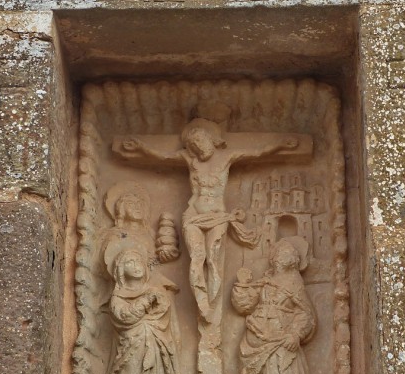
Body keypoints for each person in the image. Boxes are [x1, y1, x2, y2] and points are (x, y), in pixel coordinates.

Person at [120, 118, 298, 324]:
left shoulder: (226, 157)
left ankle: (212, 303)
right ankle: (202, 302)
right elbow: (164, 156)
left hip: (217, 217)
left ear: (213, 140)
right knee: (197, 257)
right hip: (193, 216)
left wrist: (280, 145)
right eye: (193, 145)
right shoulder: (190, 160)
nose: (197, 147)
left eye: (200, 142)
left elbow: (256, 152)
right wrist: (141, 148)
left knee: (212, 259)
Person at [231, 238, 329, 374]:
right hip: (256, 337)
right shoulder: (265, 281)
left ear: (293, 260)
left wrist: (295, 334)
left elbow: (306, 314)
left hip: (280, 340)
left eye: (287, 253)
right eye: (280, 252)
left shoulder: (294, 283)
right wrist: (242, 285)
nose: (281, 256)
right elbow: (244, 306)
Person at [94, 248, 180, 374]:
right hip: (131, 347)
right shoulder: (118, 297)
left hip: (154, 343)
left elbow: (162, 309)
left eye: (138, 261)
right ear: (120, 271)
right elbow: (124, 316)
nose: (136, 265)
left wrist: (157, 301)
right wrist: (144, 301)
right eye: (129, 263)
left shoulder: (153, 290)